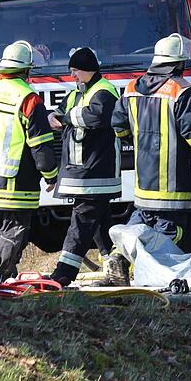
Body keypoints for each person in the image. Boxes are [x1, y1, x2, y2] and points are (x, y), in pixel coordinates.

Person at [106, 33, 191, 283]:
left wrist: (136, 142)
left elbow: (118, 125)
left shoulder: (132, 87)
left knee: (140, 219)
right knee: (170, 231)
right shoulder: (181, 90)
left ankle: (118, 256)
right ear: (177, 63)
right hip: (173, 179)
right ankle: (152, 272)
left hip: (143, 179)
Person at [0, 41, 59, 285]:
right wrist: (50, 174)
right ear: (27, 71)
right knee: (14, 226)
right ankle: (4, 275)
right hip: (17, 177)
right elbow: (40, 143)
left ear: (1, 70)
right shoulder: (29, 100)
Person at [46, 47, 122, 287]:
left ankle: (64, 274)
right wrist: (54, 118)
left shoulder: (104, 91)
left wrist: (67, 118)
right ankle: (116, 266)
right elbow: (60, 113)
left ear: (88, 69)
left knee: (81, 223)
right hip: (82, 172)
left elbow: (96, 117)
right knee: (100, 223)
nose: (72, 76)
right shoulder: (76, 94)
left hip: (96, 172)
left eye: (75, 70)